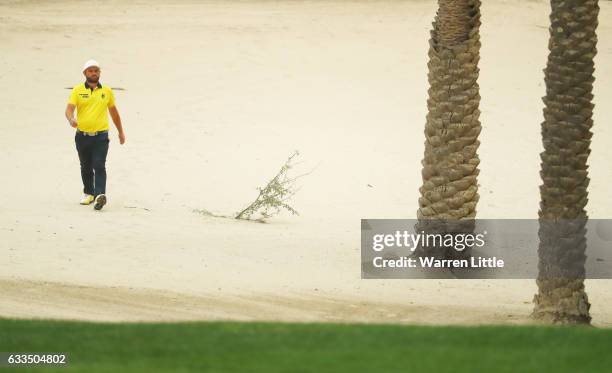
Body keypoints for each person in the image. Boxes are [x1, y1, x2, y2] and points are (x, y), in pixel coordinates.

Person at [65, 59, 126, 211]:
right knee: (85, 166)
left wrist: (120, 131)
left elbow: (114, 113)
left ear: (99, 73)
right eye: (90, 70)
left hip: (101, 136)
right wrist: (71, 119)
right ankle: (88, 193)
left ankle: (100, 195)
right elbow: (69, 109)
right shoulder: (77, 90)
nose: (94, 73)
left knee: (99, 165)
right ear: (85, 73)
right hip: (82, 136)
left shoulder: (107, 91)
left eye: (96, 70)